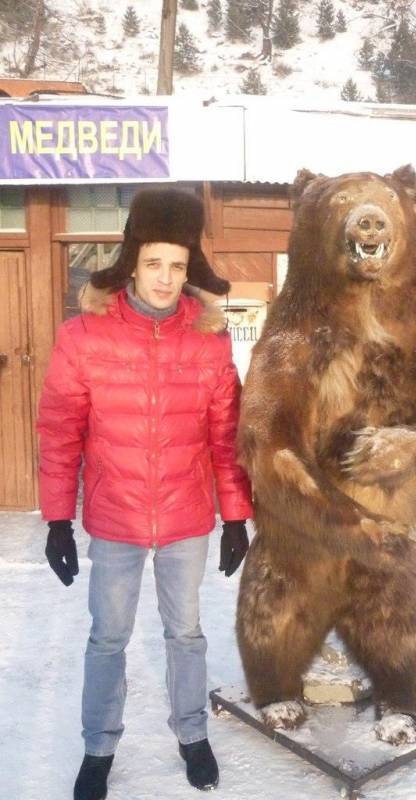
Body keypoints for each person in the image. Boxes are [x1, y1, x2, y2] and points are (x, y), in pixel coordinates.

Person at [37, 188, 253, 800]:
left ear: (190, 269)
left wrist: (235, 515)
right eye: (154, 263)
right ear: (132, 261)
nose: (165, 278)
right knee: (108, 636)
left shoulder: (210, 343)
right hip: (115, 518)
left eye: (178, 265)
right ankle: (98, 748)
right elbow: (59, 433)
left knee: (186, 633)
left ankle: (192, 736)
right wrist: (58, 518)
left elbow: (226, 437)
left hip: (186, 517)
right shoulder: (83, 337)